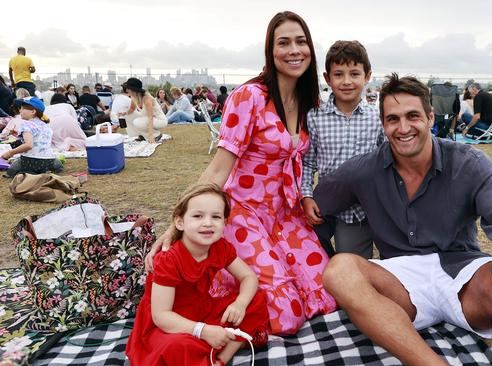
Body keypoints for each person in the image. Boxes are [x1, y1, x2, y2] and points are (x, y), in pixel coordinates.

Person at [316, 74, 492, 366]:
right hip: (401, 279)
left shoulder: (468, 162)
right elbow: (315, 207)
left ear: (431, 117)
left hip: (461, 269)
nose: (403, 128)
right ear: (383, 125)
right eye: (393, 119)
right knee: (340, 271)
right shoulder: (363, 170)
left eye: (413, 116)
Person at [145, 11, 336, 335]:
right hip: (244, 212)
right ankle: (211, 316)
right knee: (286, 316)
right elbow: (219, 168)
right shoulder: (249, 97)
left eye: (301, 42)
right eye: (284, 43)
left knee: (331, 292)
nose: (294, 50)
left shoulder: (308, 100)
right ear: (270, 50)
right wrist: (177, 224)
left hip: (285, 213)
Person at [126, 184, 269, 366]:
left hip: (202, 310)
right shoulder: (168, 260)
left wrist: (239, 304)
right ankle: (217, 345)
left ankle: (221, 358)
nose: (208, 223)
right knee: (176, 347)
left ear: (225, 223)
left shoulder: (220, 247)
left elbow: (248, 277)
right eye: (198, 216)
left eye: (216, 217)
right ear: (180, 222)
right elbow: (161, 316)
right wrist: (203, 330)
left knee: (255, 298)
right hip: (168, 323)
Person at [301, 40, 383, 259]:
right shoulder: (314, 116)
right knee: (312, 255)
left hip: (359, 210)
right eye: (338, 75)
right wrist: (306, 196)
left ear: (367, 76)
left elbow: (387, 162)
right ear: (328, 78)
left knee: (351, 265)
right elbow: (307, 162)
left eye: (354, 74)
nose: (346, 81)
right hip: (322, 204)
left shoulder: (377, 118)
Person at [2, 97, 63, 178]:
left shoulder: (26, 124)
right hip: (49, 161)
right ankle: (45, 171)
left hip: (30, 161)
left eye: (22, 108)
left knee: (12, 169)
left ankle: (27, 172)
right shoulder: (46, 125)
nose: (20, 111)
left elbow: (28, 145)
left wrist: (10, 153)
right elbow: (38, 140)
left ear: (33, 111)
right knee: (57, 163)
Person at [118, 78, 168, 143]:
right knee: (127, 116)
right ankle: (141, 135)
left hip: (159, 120)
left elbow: (150, 117)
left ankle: (156, 135)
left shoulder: (147, 98)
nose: (127, 90)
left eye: (128, 88)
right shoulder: (134, 97)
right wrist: (124, 113)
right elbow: (132, 109)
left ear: (134, 89)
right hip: (147, 118)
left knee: (137, 122)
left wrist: (150, 135)